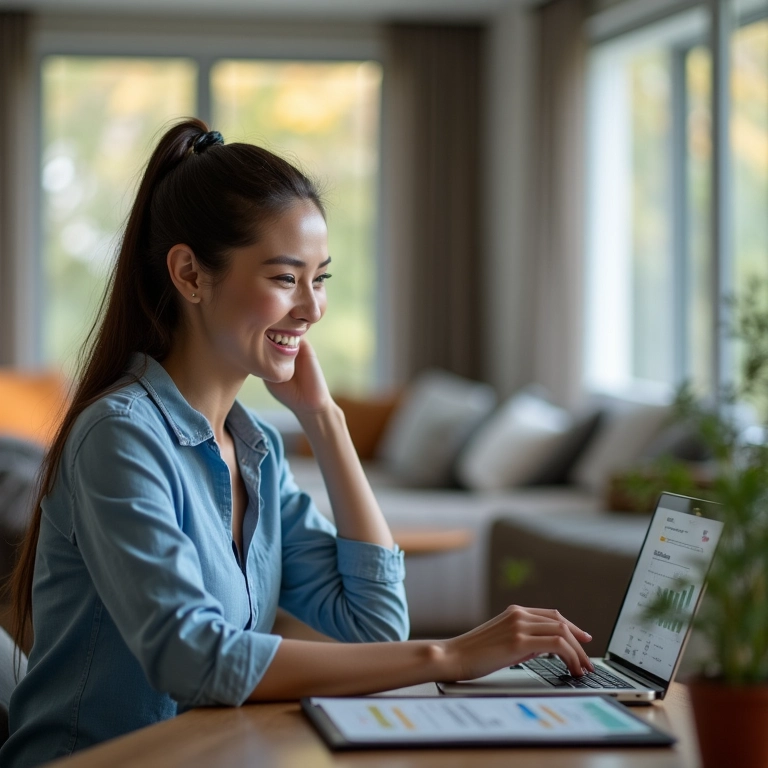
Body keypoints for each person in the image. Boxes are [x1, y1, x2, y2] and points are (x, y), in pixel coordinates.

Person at [0, 119, 594, 766]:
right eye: (286, 278)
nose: (312, 308)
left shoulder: (255, 452)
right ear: (190, 275)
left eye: (322, 279)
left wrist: (325, 421)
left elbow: (371, 626)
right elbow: (190, 657)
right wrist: (448, 655)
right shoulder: (120, 439)